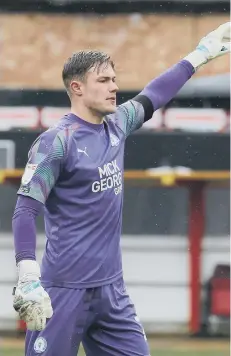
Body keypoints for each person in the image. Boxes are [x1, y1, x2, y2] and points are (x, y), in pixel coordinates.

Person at [12, 22, 230, 356]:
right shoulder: (57, 142)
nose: (114, 87)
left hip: (111, 291)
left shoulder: (118, 124)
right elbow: (26, 209)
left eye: (114, 79)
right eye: (103, 81)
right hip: (64, 290)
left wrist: (198, 56)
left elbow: (155, 93)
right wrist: (28, 273)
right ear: (77, 87)